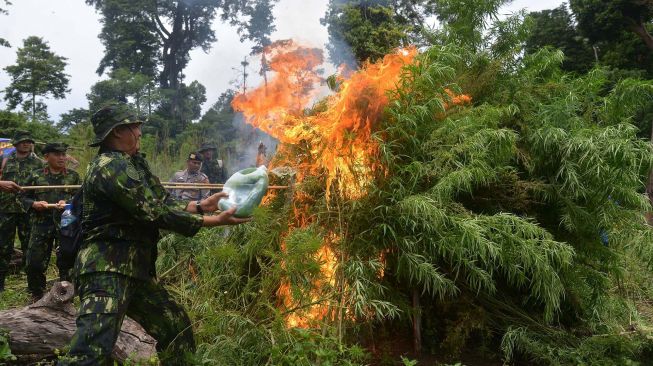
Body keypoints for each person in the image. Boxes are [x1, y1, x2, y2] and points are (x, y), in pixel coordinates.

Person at [59, 103, 250, 366]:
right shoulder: (109, 166)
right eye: (135, 127)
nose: (139, 133)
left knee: (175, 327)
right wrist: (211, 220)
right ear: (117, 132)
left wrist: (200, 205)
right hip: (105, 269)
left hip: (134, 269)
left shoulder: (133, 163)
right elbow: (153, 211)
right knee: (90, 352)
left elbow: (160, 199)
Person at [22, 142, 80, 299]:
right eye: (57, 154)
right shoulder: (35, 176)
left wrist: (67, 204)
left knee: (67, 261)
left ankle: (66, 296)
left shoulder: (73, 176)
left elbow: (79, 199)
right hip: (41, 223)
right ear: (46, 157)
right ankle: (37, 295)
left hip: (66, 223)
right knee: (34, 263)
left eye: (63, 154)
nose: (62, 158)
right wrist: (34, 204)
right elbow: (22, 197)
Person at [0, 130, 43, 291]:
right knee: (3, 247)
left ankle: (32, 287)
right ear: (16, 143)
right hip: (6, 209)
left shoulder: (38, 163)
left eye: (29, 141)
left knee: (29, 248)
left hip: (28, 210)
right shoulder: (4, 159)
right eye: (23, 141)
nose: (26, 144)